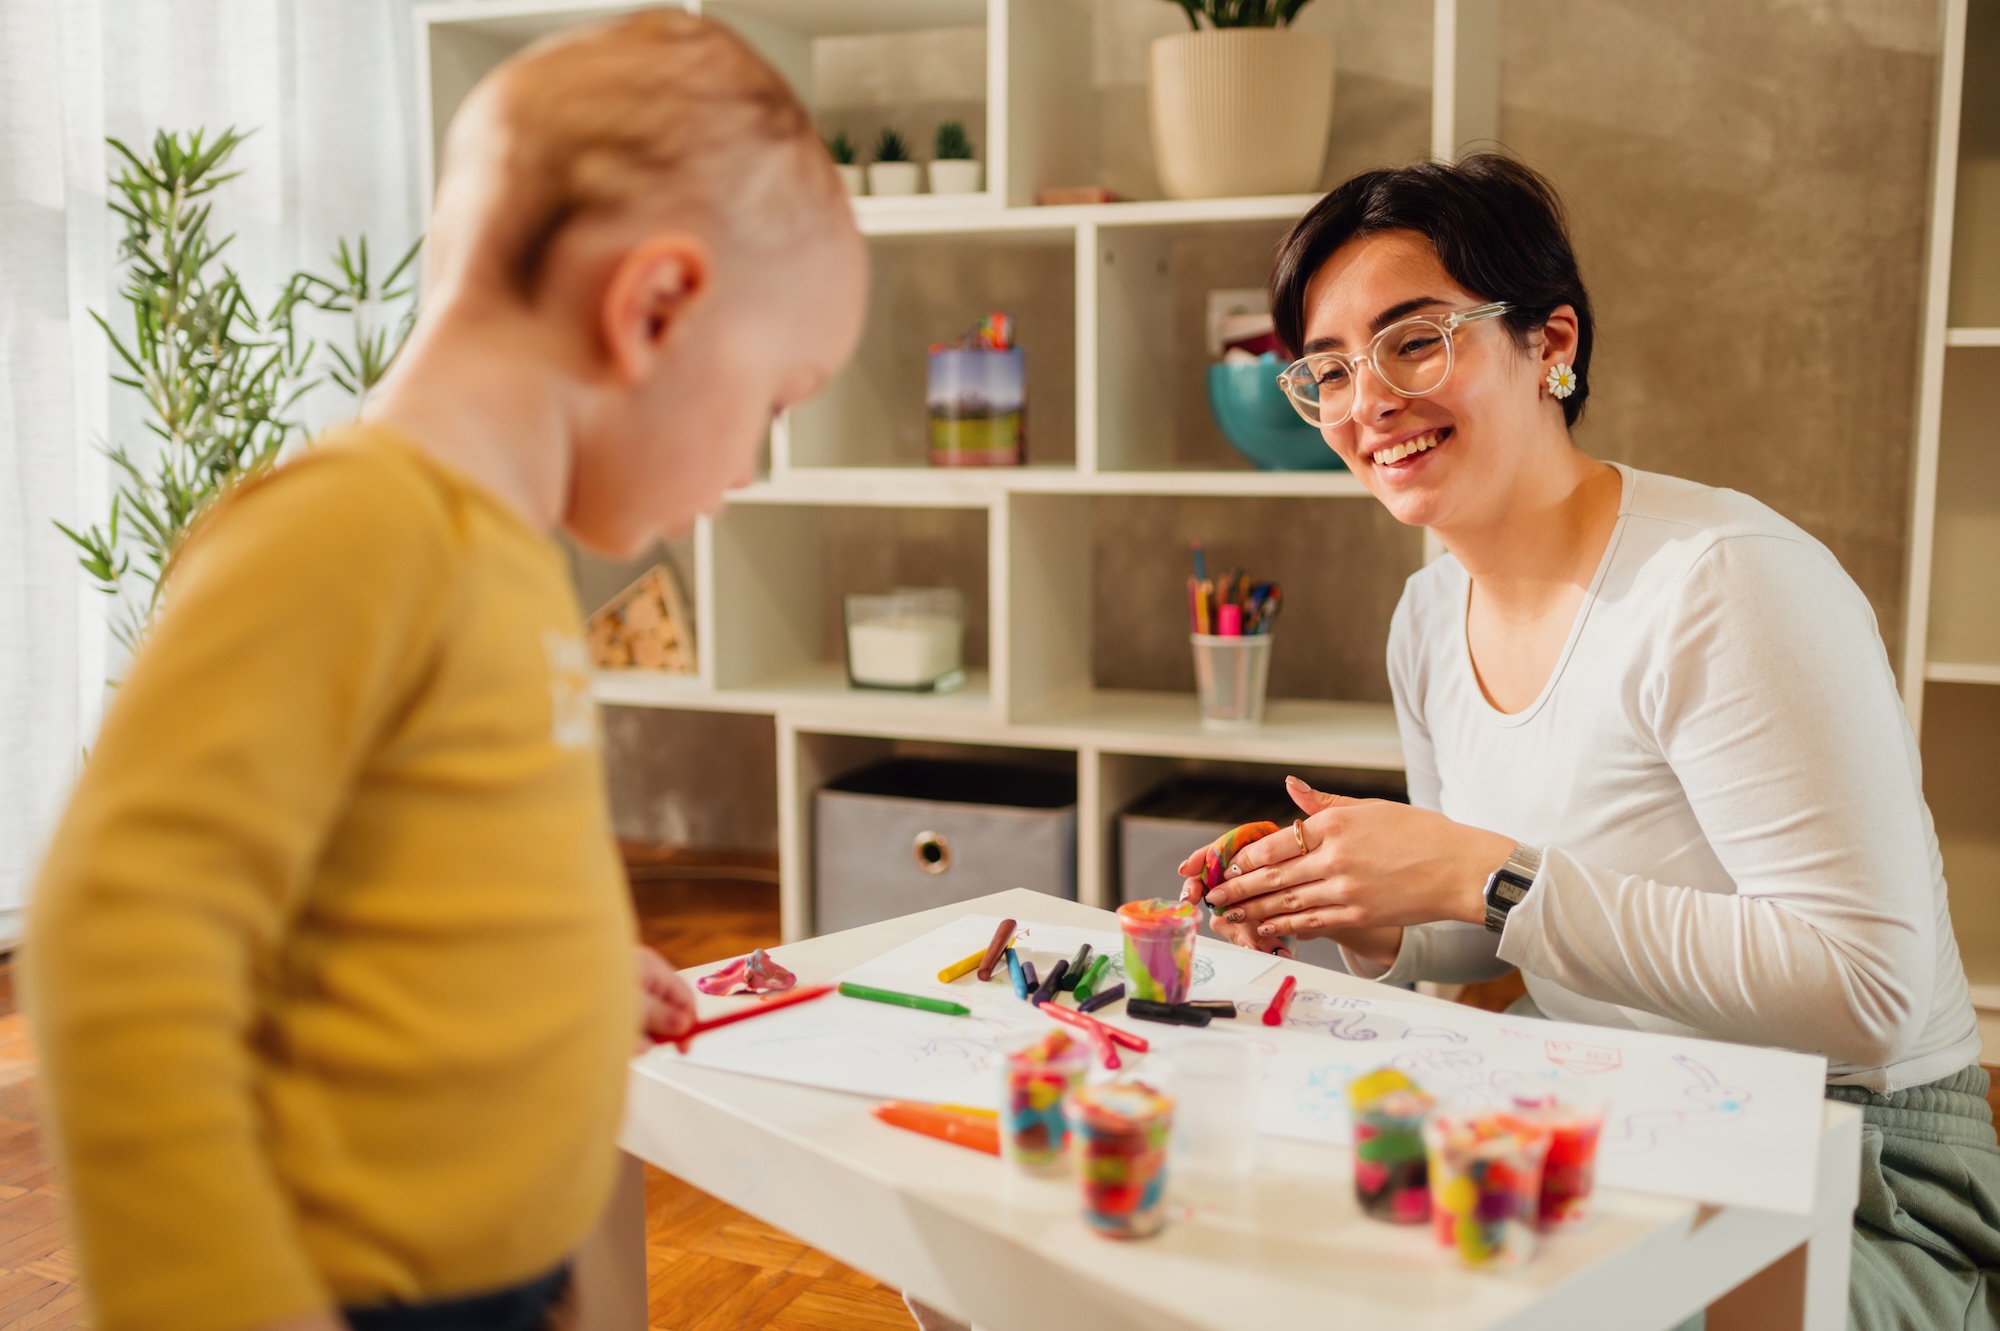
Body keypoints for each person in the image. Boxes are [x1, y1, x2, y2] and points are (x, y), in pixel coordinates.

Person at [24, 13, 866, 1331]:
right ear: (654, 307)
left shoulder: (505, 559)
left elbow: (440, 849)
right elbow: (119, 939)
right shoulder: (347, 530)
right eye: (772, 396)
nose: (752, 466)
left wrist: (577, 967)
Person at [1184, 154, 1999, 1327]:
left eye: (1412, 341)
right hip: (1587, 1098)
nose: (1365, 403)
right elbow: (1488, 934)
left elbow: (1862, 989)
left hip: (1853, 1153)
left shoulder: (1720, 582)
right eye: (1326, 371)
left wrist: (1480, 874)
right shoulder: (1426, 615)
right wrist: (1375, 916)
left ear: (1548, 342)